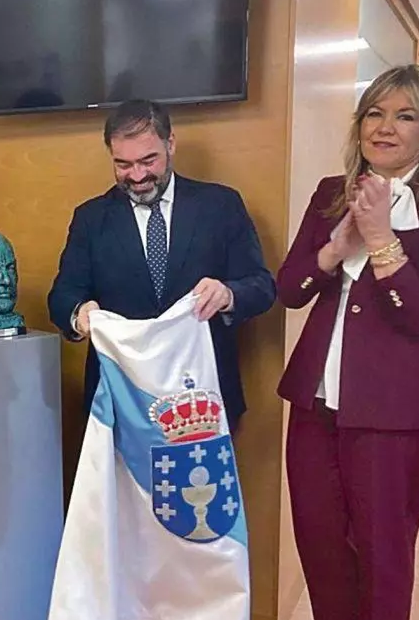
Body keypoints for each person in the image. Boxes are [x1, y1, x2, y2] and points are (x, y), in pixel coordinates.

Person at [277, 63, 419, 620]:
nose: (385, 127)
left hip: (396, 409)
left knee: (382, 552)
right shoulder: (331, 192)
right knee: (320, 546)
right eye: (375, 113)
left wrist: (382, 241)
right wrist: (333, 250)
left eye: (405, 116)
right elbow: (290, 290)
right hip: (316, 403)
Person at [47, 99, 275, 429]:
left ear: (171, 144)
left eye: (148, 160)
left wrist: (227, 294)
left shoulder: (220, 205)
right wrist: (79, 313)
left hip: (202, 399)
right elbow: (62, 296)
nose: (137, 175)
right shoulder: (91, 218)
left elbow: (262, 286)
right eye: (123, 164)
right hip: (120, 402)